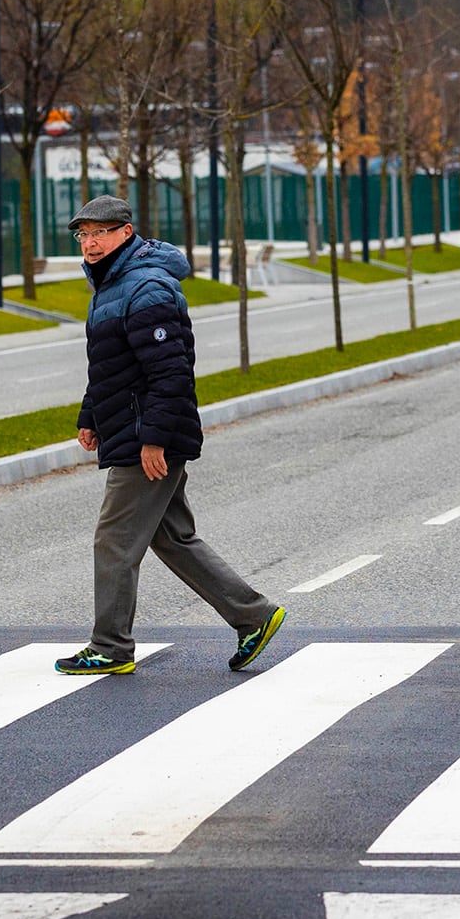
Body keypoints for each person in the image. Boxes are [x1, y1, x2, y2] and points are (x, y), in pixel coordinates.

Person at [54, 194, 286, 676]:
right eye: (83, 234)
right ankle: (253, 616)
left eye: (100, 232)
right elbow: (114, 366)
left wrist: (153, 439)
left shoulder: (148, 288)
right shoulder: (115, 283)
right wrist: (91, 413)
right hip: (135, 428)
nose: (90, 243)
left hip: (147, 437)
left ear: (125, 232)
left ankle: (110, 647)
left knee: (114, 540)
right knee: (173, 537)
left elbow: (171, 372)